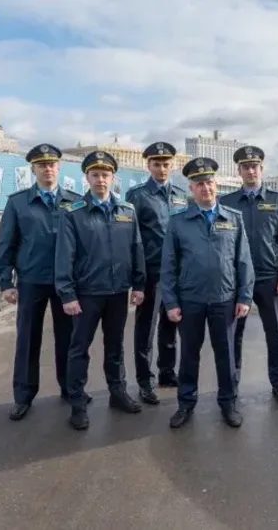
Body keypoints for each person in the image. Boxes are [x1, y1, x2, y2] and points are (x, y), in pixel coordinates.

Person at [54, 150, 146, 431]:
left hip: (118, 292)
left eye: (106, 175)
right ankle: (78, 403)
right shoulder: (73, 213)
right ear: (87, 178)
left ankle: (117, 392)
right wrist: (67, 294)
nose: (101, 180)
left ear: (113, 178)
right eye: (95, 175)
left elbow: (136, 249)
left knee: (115, 346)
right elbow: (64, 255)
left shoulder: (127, 211)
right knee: (79, 349)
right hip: (86, 294)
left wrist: (139, 284)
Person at [161, 157, 254, 429]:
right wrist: (170, 302)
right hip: (190, 300)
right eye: (199, 184)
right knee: (189, 354)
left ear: (217, 185)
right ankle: (186, 404)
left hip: (224, 300)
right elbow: (168, 265)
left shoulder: (233, 219)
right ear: (191, 188)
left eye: (209, 182)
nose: (206, 188)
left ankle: (228, 404)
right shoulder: (178, 222)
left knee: (226, 355)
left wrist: (244, 297)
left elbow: (243, 261)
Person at [0, 143, 85, 421]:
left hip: (66, 283)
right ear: (33, 169)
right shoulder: (18, 202)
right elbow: (6, 244)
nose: (48, 169)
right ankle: (23, 395)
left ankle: (70, 389)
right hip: (32, 279)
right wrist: (5, 281)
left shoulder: (75, 201)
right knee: (28, 339)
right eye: (41, 165)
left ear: (59, 167)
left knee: (69, 339)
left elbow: (85, 244)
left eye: (52, 164)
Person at [219, 145, 278, 406]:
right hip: (236, 281)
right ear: (239, 170)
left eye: (255, 166)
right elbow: (221, 243)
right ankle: (232, 385)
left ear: (262, 169)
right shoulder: (227, 203)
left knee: (275, 334)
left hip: (268, 278)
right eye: (245, 167)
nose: (251, 171)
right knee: (233, 335)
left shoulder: (276, 200)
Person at [125, 142, 188, 405]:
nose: (162, 169)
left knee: (170, 324)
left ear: (173, 166)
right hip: (150, 272)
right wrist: (136, 278)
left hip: (176, 273)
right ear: (147, 165)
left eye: (166, 164)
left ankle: (166, 371)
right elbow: (132, 238)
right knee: (146, 329)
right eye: (156, 164)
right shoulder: (137, 196)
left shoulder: (182, 194)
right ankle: (144, 381)